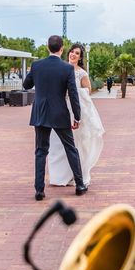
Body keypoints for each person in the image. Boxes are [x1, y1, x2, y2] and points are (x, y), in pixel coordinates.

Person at [23, 35, 87, 201]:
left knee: (40, 151)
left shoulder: (36, 65)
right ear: (62, 48)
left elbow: (26, 85)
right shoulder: (67, 69)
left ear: (47, 47)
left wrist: (34, 74)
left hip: (41, 113)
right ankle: (80, 185)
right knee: (70, 148)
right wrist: (77, 116)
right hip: (59, 113)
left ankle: (39, 190)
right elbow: (73, 95)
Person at [48, 43, 105, 187]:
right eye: (72, 52)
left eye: (77, 53)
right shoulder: (60, 68)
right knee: (57, 144)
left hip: (75, 110)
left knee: (75, 143)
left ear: (80, 58)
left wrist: (72, 92)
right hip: (60, 109)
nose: (73, 54)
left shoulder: (81, 73)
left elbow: (88, 91)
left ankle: (76, 174)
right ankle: (60, 176)